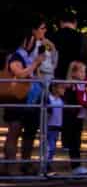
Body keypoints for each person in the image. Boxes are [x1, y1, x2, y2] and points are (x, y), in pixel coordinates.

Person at [4, 21, 48, 175]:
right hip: (16, 97)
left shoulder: (30, 55)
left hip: (31, 98)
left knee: (29, 133)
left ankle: (26, 163)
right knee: (14, 131)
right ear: (25, 40)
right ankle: (10, 165)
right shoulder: (16, 56)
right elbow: (20, 73)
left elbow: (33, 75)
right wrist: (35, 63)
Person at [63, 61, 87, 175]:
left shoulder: (83, 84)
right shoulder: (71, 85)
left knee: (77, 140)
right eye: (81, 71)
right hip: (72, 116)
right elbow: (69, 92)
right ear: (73, 73)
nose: (84, 74)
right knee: (73, 141)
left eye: (84, 71)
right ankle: (75, 166)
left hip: (80, 116)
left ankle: (77, 165)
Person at [51, 13, 87, 81]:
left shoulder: (53, 36)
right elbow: (86, 57)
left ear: (61, 22)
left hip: (55, 75)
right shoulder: (81, 37)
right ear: (75, 23)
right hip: (75, 77)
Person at [43, 82, 65, 171]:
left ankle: (48, 164)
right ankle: (45, 165)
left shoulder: (61, 100)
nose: (63, 89)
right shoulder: (49, 99)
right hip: (49, 126)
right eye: (61, 87)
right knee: (49, 147)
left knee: (53, 147)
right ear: (54, 88)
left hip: (57, 126)